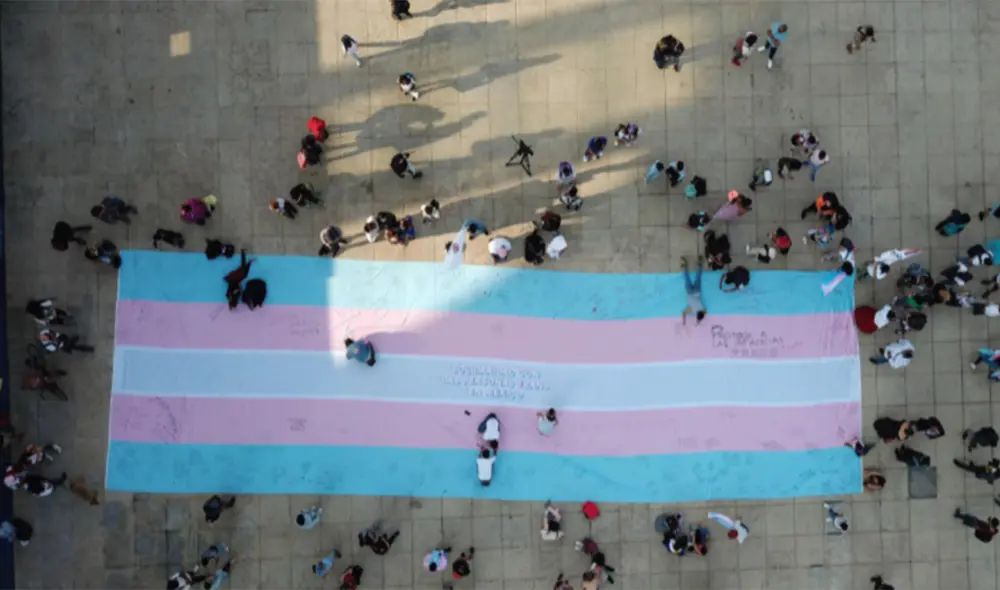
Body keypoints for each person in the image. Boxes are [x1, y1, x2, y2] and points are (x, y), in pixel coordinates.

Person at [681, 256, 707, 326]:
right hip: (690, 292)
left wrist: (700, 320)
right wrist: (684, 322)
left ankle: (699, 264)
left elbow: (705, 311)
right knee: (686, 278)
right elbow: (683, 312)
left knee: (698, 277)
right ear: (696, 315)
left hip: (697, 291)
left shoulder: (702, 307)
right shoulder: (692, 310)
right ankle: (684, 265)